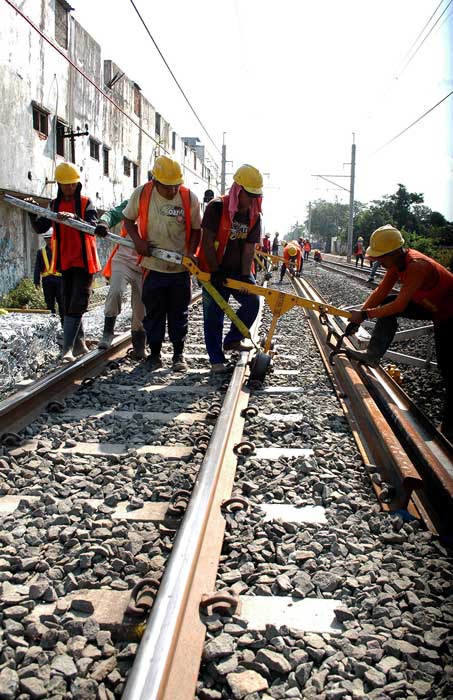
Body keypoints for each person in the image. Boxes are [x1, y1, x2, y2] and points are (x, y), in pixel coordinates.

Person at [346, 224, 453, 440]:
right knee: (385, 302)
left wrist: (365, 316)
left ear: (394, 252)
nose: (378, 262)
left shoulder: (416, 266)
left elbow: (400, 306)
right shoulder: (396, 264)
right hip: (432, 307)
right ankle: (373, 355)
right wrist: (359, 317)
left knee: (449, 368)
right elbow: (381, 291)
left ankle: (449, 427)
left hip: (450, 315)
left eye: (381, 258)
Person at [122, 155, 201, 372]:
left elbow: (196, 229)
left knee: (178, 312)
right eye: (168, 187)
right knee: (154, 311)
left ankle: (178, 355)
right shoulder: (143, 193)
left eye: (176, 186)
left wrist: (191, 252)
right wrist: (138, 241)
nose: (173, 191)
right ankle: (155, 354)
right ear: (156, 182)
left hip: (179, 268)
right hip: (153, 266)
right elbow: (128, 219)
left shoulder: (188, 198)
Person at [28, 162, 99, 361]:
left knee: (77, 302)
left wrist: (74, 217)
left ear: (78, 184)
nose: (69, 188)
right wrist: (32, 213)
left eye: (72, 184)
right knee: (68, 304)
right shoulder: (54, 205)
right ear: (59, 184)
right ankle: (80, 344)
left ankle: (67, 348)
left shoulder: (86, 203)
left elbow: (92, 227)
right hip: (65, 263)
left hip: (85, 263)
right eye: (65, 184)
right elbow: (41, 228)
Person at [198, 164, 263, 373]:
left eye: (256, 196)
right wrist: (215, 271)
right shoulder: (217, 207)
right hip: (213, 269)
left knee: (253, 301)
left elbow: (249, 248)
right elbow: (207, 240)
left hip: (237, 271)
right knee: (214, 313)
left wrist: (245, 277)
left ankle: (233, 339)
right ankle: (216, 360)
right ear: (238, 190)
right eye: (249, 195)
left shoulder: (254, 215)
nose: (252, 200)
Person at [95, 200, 146, 359]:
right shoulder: (135, 200)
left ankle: (139, 346)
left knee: (140, 307)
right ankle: (108, 332)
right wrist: (104, 223)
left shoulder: (162, 207)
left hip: (145, 264)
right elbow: (113, 214)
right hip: (123, 259)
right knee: (116, 290)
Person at [33, 231, 63, 324]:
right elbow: (37, 267)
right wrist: (36, 281)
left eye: (50, 238)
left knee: (62, 303)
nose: (48, 240)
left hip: (60, 281)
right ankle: (52, 324)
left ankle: (64, 324)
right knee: (49, 303)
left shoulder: (60, 250)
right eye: (46, 238)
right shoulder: (41, 252)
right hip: (47, 281)